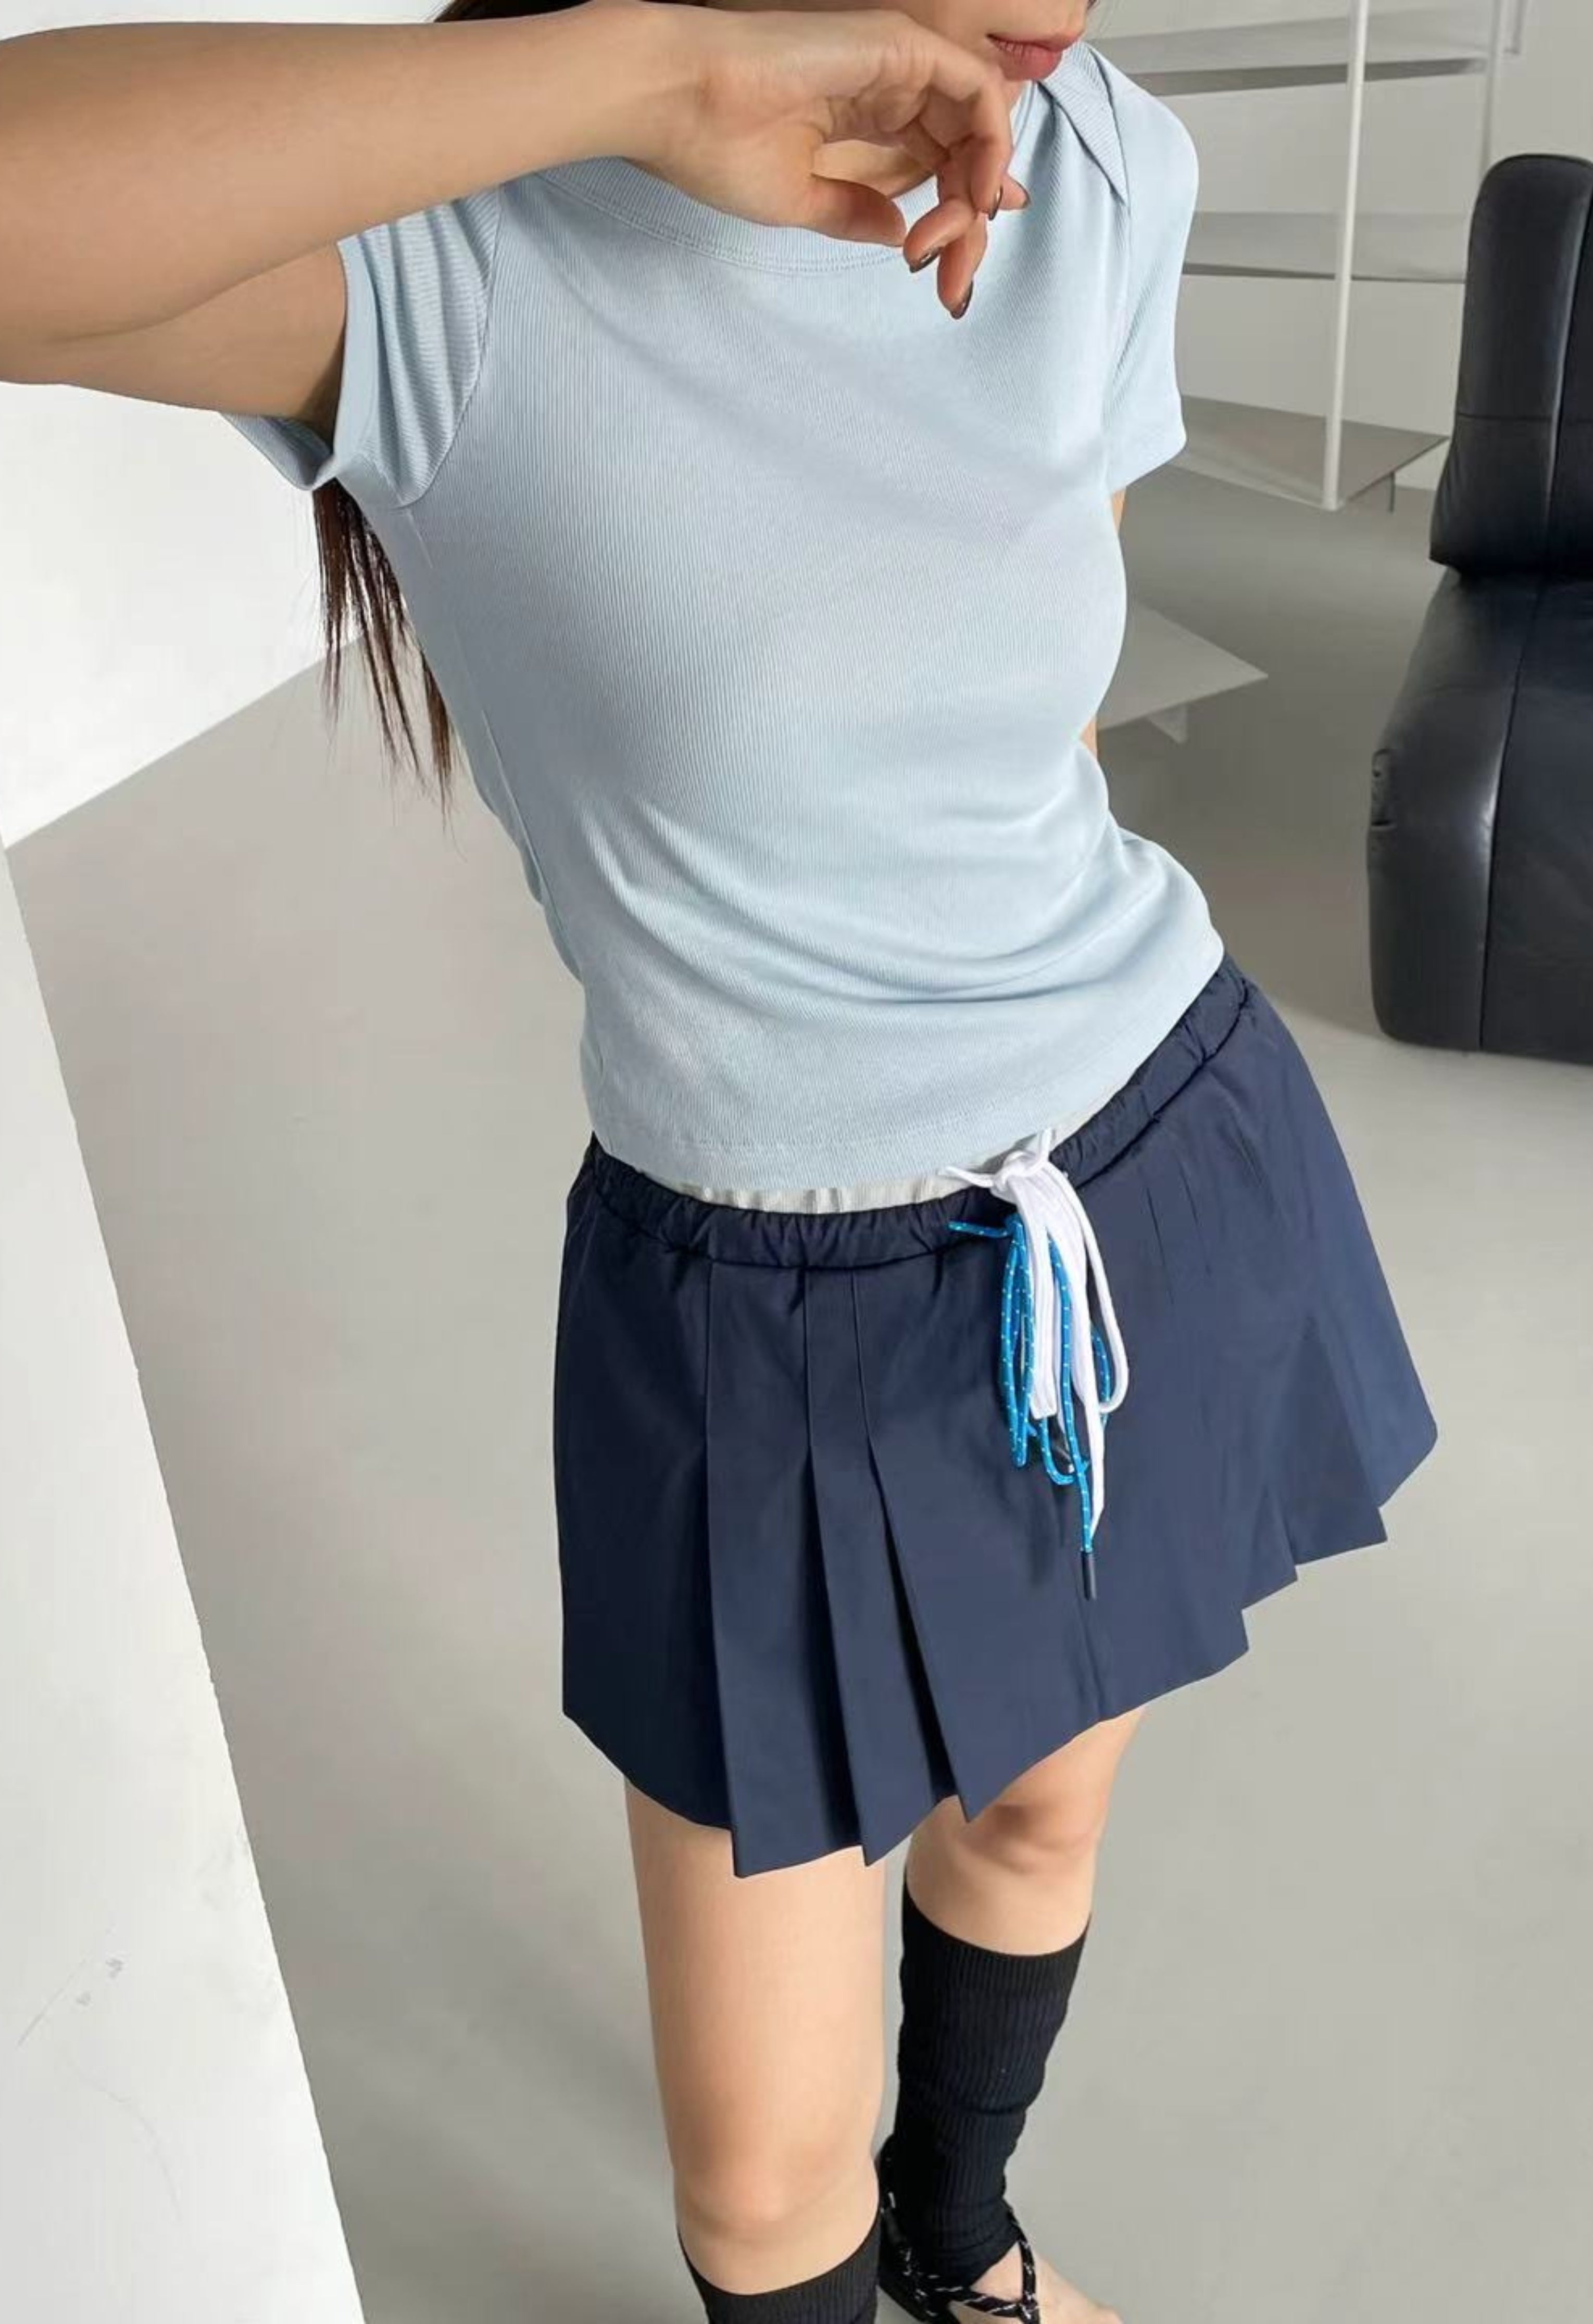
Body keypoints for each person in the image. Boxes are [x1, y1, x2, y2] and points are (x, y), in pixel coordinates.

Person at [0, 4, 1438, 2319]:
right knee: (766, 2194)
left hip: (1149, 1153)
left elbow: (1043, 712)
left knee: (1039, 1811)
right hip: (771, 1303)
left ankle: (966, 2243)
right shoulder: (455, 261)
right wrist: (650, 81)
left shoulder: (1098, 155)